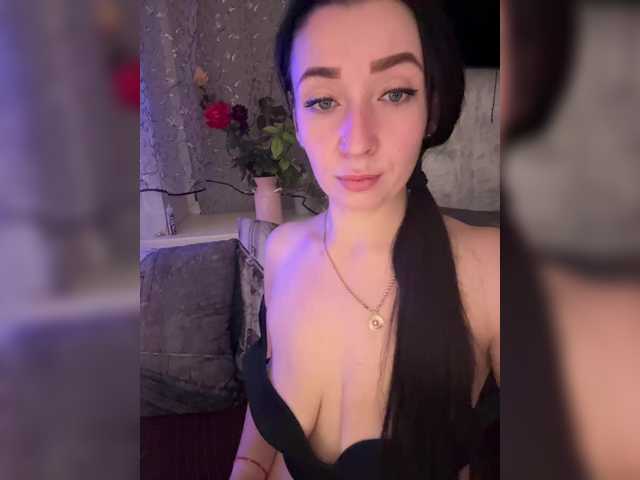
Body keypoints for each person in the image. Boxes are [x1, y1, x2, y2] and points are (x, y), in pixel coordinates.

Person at [230, 1, 499, 479]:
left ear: (432, 109)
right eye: (323, 101)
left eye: (395, 93)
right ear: (296, 118)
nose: (357, 142)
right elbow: (269, 396)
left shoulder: (492, 269)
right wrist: (245, 467)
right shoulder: (281, 250)